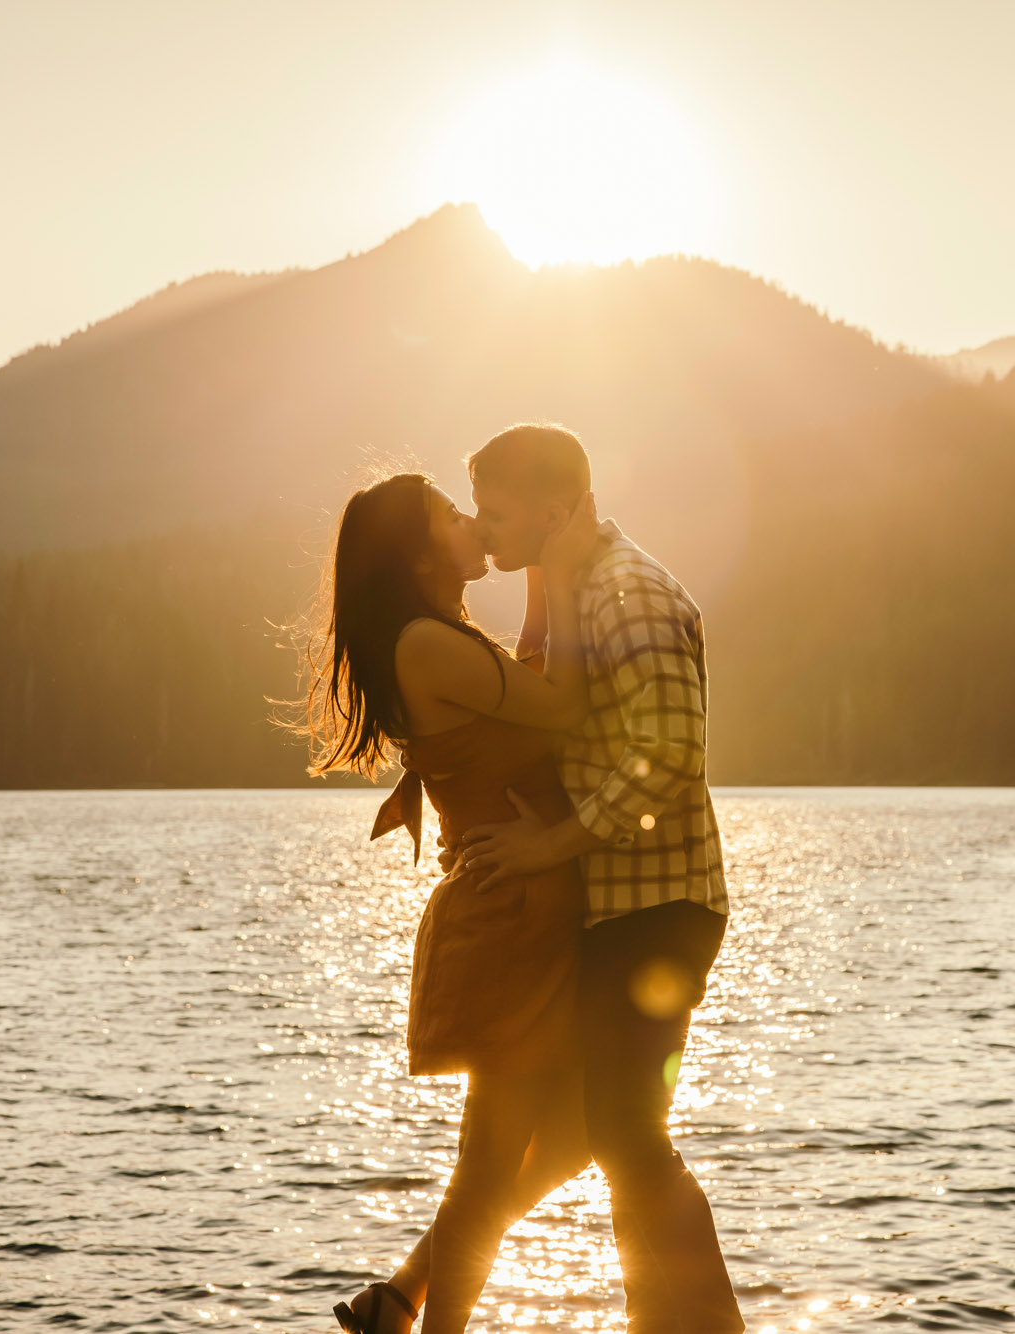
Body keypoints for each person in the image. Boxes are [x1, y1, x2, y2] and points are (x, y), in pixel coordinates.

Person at [455, 424, 743, 1334]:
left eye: (493, 512)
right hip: (623, 903)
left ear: (551, 509)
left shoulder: (630, 593)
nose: (481, 527)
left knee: (628, 1135)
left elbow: (669, 758)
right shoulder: (584, 585)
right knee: (619, 1135)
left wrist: (548, 848)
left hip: (658, 904)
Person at [303, 469, 604, 1334]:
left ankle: (397, 1300)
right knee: (490, 1169)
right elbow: (563, 703)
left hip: (526, 906)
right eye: (449, 513)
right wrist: (569, 563)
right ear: (418, 550)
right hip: (507, 917)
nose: (471, 520)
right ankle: (410, 1315)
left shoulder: (438, 635)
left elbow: (527, 677)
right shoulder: (424, 644)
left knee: (588, 1128)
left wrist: (545, 565)